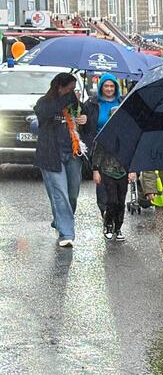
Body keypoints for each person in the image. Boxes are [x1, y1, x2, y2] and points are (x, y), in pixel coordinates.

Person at [34, 72, 87, 248]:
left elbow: (87, 123)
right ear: (59, 87)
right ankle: (66, 233)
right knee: (60, 194)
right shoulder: (44, 102)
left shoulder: (74, 104)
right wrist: (67, 99)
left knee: (72, 195)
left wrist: (85, 118)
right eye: (70, 89)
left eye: (74, 89)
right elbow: (46, 113)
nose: (73, 92)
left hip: (73, 154)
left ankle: (60, 220)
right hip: (51, 155)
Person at [83, 73, 122, 218]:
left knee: (117, 179)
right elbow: (85, 124)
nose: (109, 89)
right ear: (101, 87)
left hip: (118, 146)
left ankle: (116, 210)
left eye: (112, 86)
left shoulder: (123, 101)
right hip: (99, 146)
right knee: (101, 179)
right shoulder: (92, 103)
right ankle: (104, 210)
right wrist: (83, 120)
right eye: (106, 86)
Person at [91, 144, 136, 241]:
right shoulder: (105, 137)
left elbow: (133, 153)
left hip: (123, 172)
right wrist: (96, 170)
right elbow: (98, 152)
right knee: (112, 201)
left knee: (121, 202)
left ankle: (118, 227)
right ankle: (109, 224)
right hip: (107, 171)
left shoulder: (129, 139)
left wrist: (132, 169)